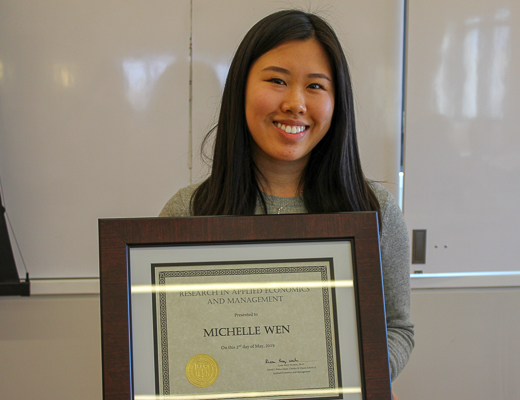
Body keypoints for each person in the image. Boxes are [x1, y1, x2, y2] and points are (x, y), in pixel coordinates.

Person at [159, 9, 414, 383]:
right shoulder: (189, 212)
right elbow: (164, 342)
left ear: (336, 102)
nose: (296, 103)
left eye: (315, 86)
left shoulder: (373, 210)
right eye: (277, 80)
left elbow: (397, 329)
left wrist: (358, 379)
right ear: (241, 88)